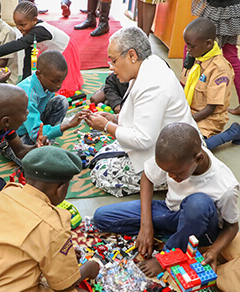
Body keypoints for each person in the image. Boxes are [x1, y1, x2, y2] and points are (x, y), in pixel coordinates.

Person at [94, 123, 239, 277]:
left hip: (201, 230)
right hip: (170, 211)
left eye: (176, 173)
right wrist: (146, 225)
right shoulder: (172, 159)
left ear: (198, 158)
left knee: (199, 204)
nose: (170, 176)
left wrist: (213, 251)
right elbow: (147, 178)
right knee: (102, 218)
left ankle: (169, 255)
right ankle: (172, 236)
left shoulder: (225, 187)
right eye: (167, 171)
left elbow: (232, 227)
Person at [0, 146, 100, 292]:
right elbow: (63, 285)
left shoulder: (4, 194)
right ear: (60, 189)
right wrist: (88, 269)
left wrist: (59, 253)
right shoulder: (54, 225)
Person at [84, 27, 198, 197]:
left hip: (172, 154)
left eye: (114, 61)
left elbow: (143, 139)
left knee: (101, 173)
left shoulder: (152, 85)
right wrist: (115, 119)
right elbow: (143, 114)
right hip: (161, 139)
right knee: (101, 156)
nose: (111, 68)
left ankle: (169, 181)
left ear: (132, 55)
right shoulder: (149, 63)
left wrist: (107, 126)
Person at [0, 1, 83, 94]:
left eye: (23, 25)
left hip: (64, 50)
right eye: (17, 24)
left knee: (59, 82)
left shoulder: (40, 31)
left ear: (34, 20)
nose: (19, 28)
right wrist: (25, 83)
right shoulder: (29, 32)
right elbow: (27, 58)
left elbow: (19, 44)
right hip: (50, 51)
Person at [180, 17, 240, 150]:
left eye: (191, 46)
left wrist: (186, 120)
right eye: (187, 45)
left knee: (192, 150)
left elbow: (210, 109)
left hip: (208, 118)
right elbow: (183, 85)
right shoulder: (195, 57)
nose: (187, 50)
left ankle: (232, 132)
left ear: (208, 44)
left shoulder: (219, 69)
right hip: (189, 110)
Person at [17, 50, 86, 144]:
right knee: (33, 156)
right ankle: (43, 143)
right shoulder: (27, 97)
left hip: (32, 125)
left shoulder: (46, 84)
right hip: (15, 137)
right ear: (39, 74)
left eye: (61, 81)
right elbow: (35, 134)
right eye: (55, 81)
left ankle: (48, 140)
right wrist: (68, 124)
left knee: (61, 101)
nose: (59, 86)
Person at [191, 0, 240, 116]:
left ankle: (183, 91)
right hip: (232, 8)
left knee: (192, 47)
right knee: (231, 54)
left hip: (218, 9)